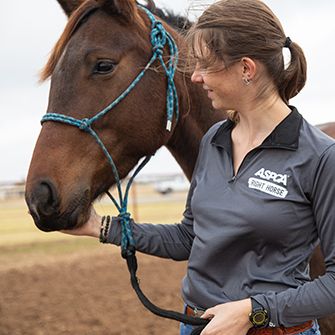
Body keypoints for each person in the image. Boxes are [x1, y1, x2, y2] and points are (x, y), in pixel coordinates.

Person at [64, 0, 335, 334]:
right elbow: (189, 238)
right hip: (197, 325)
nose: (195, 77)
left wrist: (254, 313)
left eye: (206, 65)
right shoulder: (214, 141)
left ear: (246, 69)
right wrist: (103, 228)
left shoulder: (321, 157)